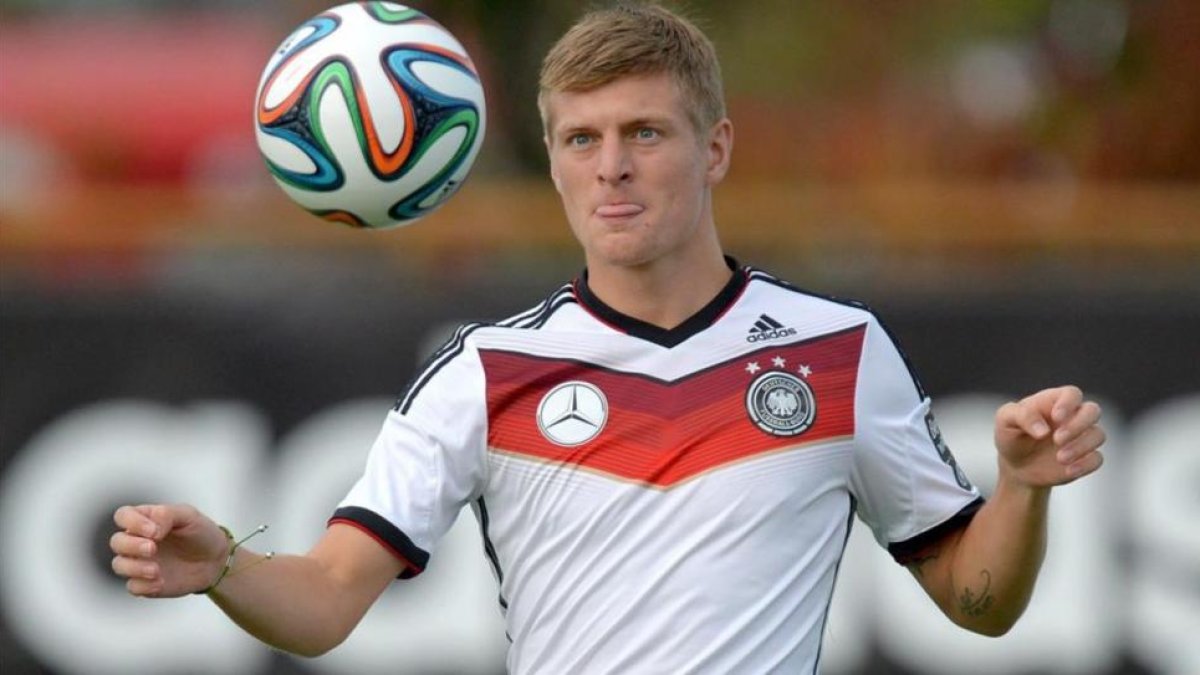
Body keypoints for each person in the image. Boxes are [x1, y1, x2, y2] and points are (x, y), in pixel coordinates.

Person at [110, 3, 1106, 672]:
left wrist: (1021, 486)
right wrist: (227, 569)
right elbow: (327, 601)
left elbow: (980, 603)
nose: (611, 167)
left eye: (645, 133)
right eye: (582, 140)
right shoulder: (482, 373)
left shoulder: (838, 352)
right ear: (552, 162)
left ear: (713, 147)